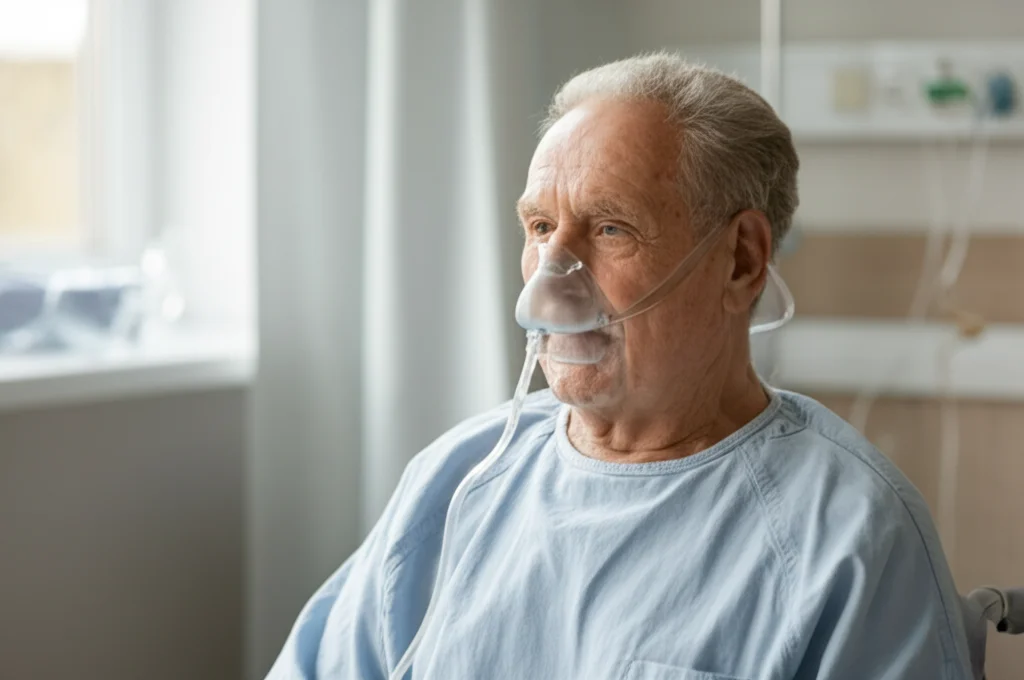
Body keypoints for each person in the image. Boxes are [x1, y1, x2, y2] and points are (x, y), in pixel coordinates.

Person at [267, 53, 972, 679]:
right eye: (541, 228)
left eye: (610, 229)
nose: (550, 284)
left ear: (741, 260)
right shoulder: (454, 486)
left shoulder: (851, 539)